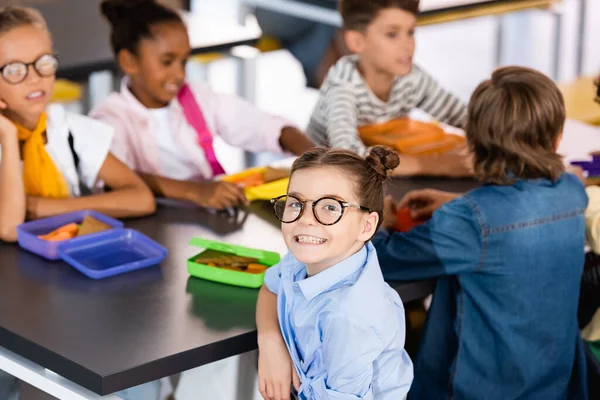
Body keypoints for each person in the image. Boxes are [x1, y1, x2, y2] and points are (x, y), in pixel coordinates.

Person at [373, 66, 589, 399]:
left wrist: (380, 221)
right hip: (554, 383)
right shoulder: (572, 191)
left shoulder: (470, 222)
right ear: (557, 136)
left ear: (472, 141)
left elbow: (384, 262)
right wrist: (459, 202)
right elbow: (521, 213)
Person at [90, 0, 314, 211]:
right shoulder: (110, 118)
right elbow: (116, 179)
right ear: (129, 61)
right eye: (167, 62)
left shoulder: (196, 97)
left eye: (184, 61)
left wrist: (314, 158)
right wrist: (193, 191)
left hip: (211, 215)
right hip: (156, 227)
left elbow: (265, 127)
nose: (179, 74)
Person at [256, 146, 413, 400]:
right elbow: (271, 287)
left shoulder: (349, 318)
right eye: (296, 203)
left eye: (330, 207)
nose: (305, 219)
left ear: (366, 225)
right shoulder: (307, 256)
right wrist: (270, 343)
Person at [0, 6, 155, 244]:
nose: (34, 77)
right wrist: (8, 135)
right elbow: (10, 229)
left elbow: (142, 198)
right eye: (14, 69)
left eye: (43, 61)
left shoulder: (68, 128)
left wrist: (42, 208)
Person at [307, 0, 472, 177]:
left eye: (410, 32)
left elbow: (464, 116)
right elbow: (349, 157)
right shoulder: (342, 87)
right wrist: (439, 165)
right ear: (357, 41)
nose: (408, 45)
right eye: (392, 34)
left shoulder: (411, 78)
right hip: (323, 174)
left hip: (386, 164)